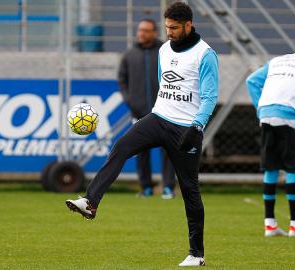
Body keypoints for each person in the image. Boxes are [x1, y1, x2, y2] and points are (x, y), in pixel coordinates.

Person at [66, 2, 218, 266]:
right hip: (158, 118)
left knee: (190, 191)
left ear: (189, 25)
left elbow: (209, 96)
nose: (169, 32)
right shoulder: (163, 49)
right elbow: (164, 86)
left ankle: (196, 254)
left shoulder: (205, 54)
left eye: (174, 28)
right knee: (121, 146)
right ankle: (90, 202)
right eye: (167, 27)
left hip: (186, 128)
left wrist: (197, 126)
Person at [246, 53, 295, 238]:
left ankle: (270, 225)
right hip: (288, 115)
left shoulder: (277, 60)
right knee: (293, 169)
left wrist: (261, 108)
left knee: (271, 169)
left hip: (266, 114)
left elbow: (251, 81)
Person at [118, 19, 176, 199]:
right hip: (139, 112)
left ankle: (168, 188)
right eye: (139, 30)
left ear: (154, 33)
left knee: (169, 151)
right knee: (140, 151)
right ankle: (146, 188)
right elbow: (122, 80)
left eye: (145, 30)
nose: (141, 33)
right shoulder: (129, 55)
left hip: (165, 111)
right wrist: (131, 102)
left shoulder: (166, 52)